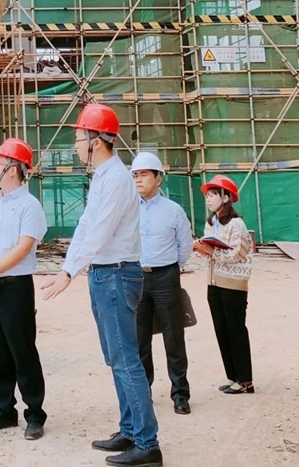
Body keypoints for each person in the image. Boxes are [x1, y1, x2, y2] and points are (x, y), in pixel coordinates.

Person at [42, 104, 163, 467]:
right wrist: (69, 266)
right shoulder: (102, 178)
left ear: (96, 141)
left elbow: (99, 233)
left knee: (125, 359)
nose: (76, 144)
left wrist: (68, 274)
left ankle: (148, 443)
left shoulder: (116, 180)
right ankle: (130, 429)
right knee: (116, 357)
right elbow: (84, 227)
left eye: (79, 137)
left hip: (115, 275)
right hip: (104, 274)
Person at [0, 138, 48, 441]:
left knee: (22, 350)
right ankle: (4, 410)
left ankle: (35, 413)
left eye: (0, 164)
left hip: (15, 287)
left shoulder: (30, 206)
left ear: (14, 170)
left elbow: (23, 247)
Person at [131, 152, 194, 415]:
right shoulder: (127, 209)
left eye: (144, 174)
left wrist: (170, 267)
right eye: (135, 175)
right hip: (136, 278)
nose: (138, 180)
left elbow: (185, 245)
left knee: (173, 336)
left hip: (166, 277)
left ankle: (180, 394)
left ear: (158, 178)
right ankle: (143, 392)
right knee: (139, 338)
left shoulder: (173, 210)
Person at [193, 175, 254, 395]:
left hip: (233, 285)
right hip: (214, 282)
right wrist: (201, 249)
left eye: (213, 195)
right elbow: (212, 253)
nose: (208, 199)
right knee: (221, 329)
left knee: (235, 329)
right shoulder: (211, 223)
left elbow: (237, 254)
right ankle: (233, 376)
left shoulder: (237, 224)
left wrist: (211, 251)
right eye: (207, 195)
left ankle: (245, 381)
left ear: (226, 198)